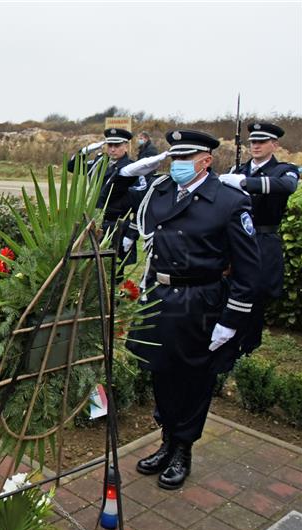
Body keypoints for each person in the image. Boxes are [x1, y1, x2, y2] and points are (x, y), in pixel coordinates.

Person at [127, 130, 260, 490]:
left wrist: (231, 321)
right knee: (161, 372)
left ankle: (183, 448)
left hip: (201, 301)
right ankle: (167, 440)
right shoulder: (161, 191)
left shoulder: (229, 202)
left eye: (185, 160)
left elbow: (249, 271)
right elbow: (123, 210)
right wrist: (127, 174)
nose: (178, 166)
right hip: (161, 296)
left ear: (206, 160)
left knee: (194, 378)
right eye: (174, 159)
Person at [219, 122, 299, 355]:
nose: (255, 145)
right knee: (228, 292)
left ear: (274, 145)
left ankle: (248, 349)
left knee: (255, 298)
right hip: (234, 241)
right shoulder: (238, 170)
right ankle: (227, 346)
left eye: (262, 142)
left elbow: (288, 186)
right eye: (253, 141)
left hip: (262, 240)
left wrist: (245, 183)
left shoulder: (284, 169)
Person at [69, 128, 136, 271]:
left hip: (116, 225)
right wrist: (85, 151)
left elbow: (139, 204)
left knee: (113, 273)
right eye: (109, 145)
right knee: (89, 268)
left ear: (126, 146)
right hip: (95, 222)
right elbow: (72, 166)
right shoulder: (100, 162)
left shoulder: (131, 168)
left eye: (117, 146)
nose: (112, 149)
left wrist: (131, 234)